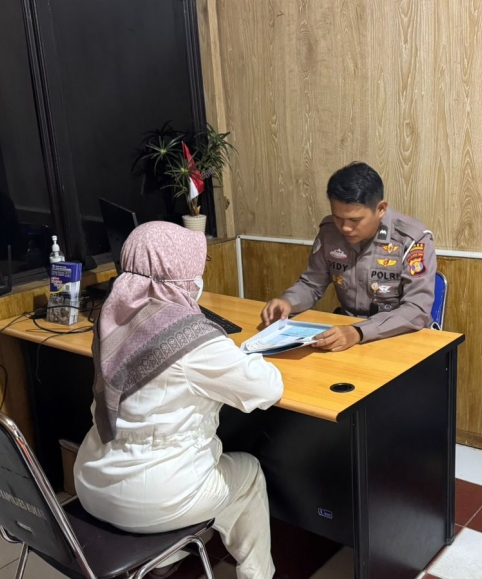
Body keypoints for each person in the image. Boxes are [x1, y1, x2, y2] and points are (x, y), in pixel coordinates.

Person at [74, 222, 284, 579]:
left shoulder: (112, 318)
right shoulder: (193, 340)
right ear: (179, 276)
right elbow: (267, 389)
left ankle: (162, 560)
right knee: (248, 473)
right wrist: (238, 352)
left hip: (92, 484)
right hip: (153, 499)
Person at [261, 162, 436, 351]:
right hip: (348, 335)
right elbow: (311, 284)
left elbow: (416, 309)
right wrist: (288, 302)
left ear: (381, 209)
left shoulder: (411, 238)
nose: (345, 227)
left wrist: (359, 331)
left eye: (354, 220)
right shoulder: (329, 232)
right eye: (338, 217)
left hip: (398, 337)